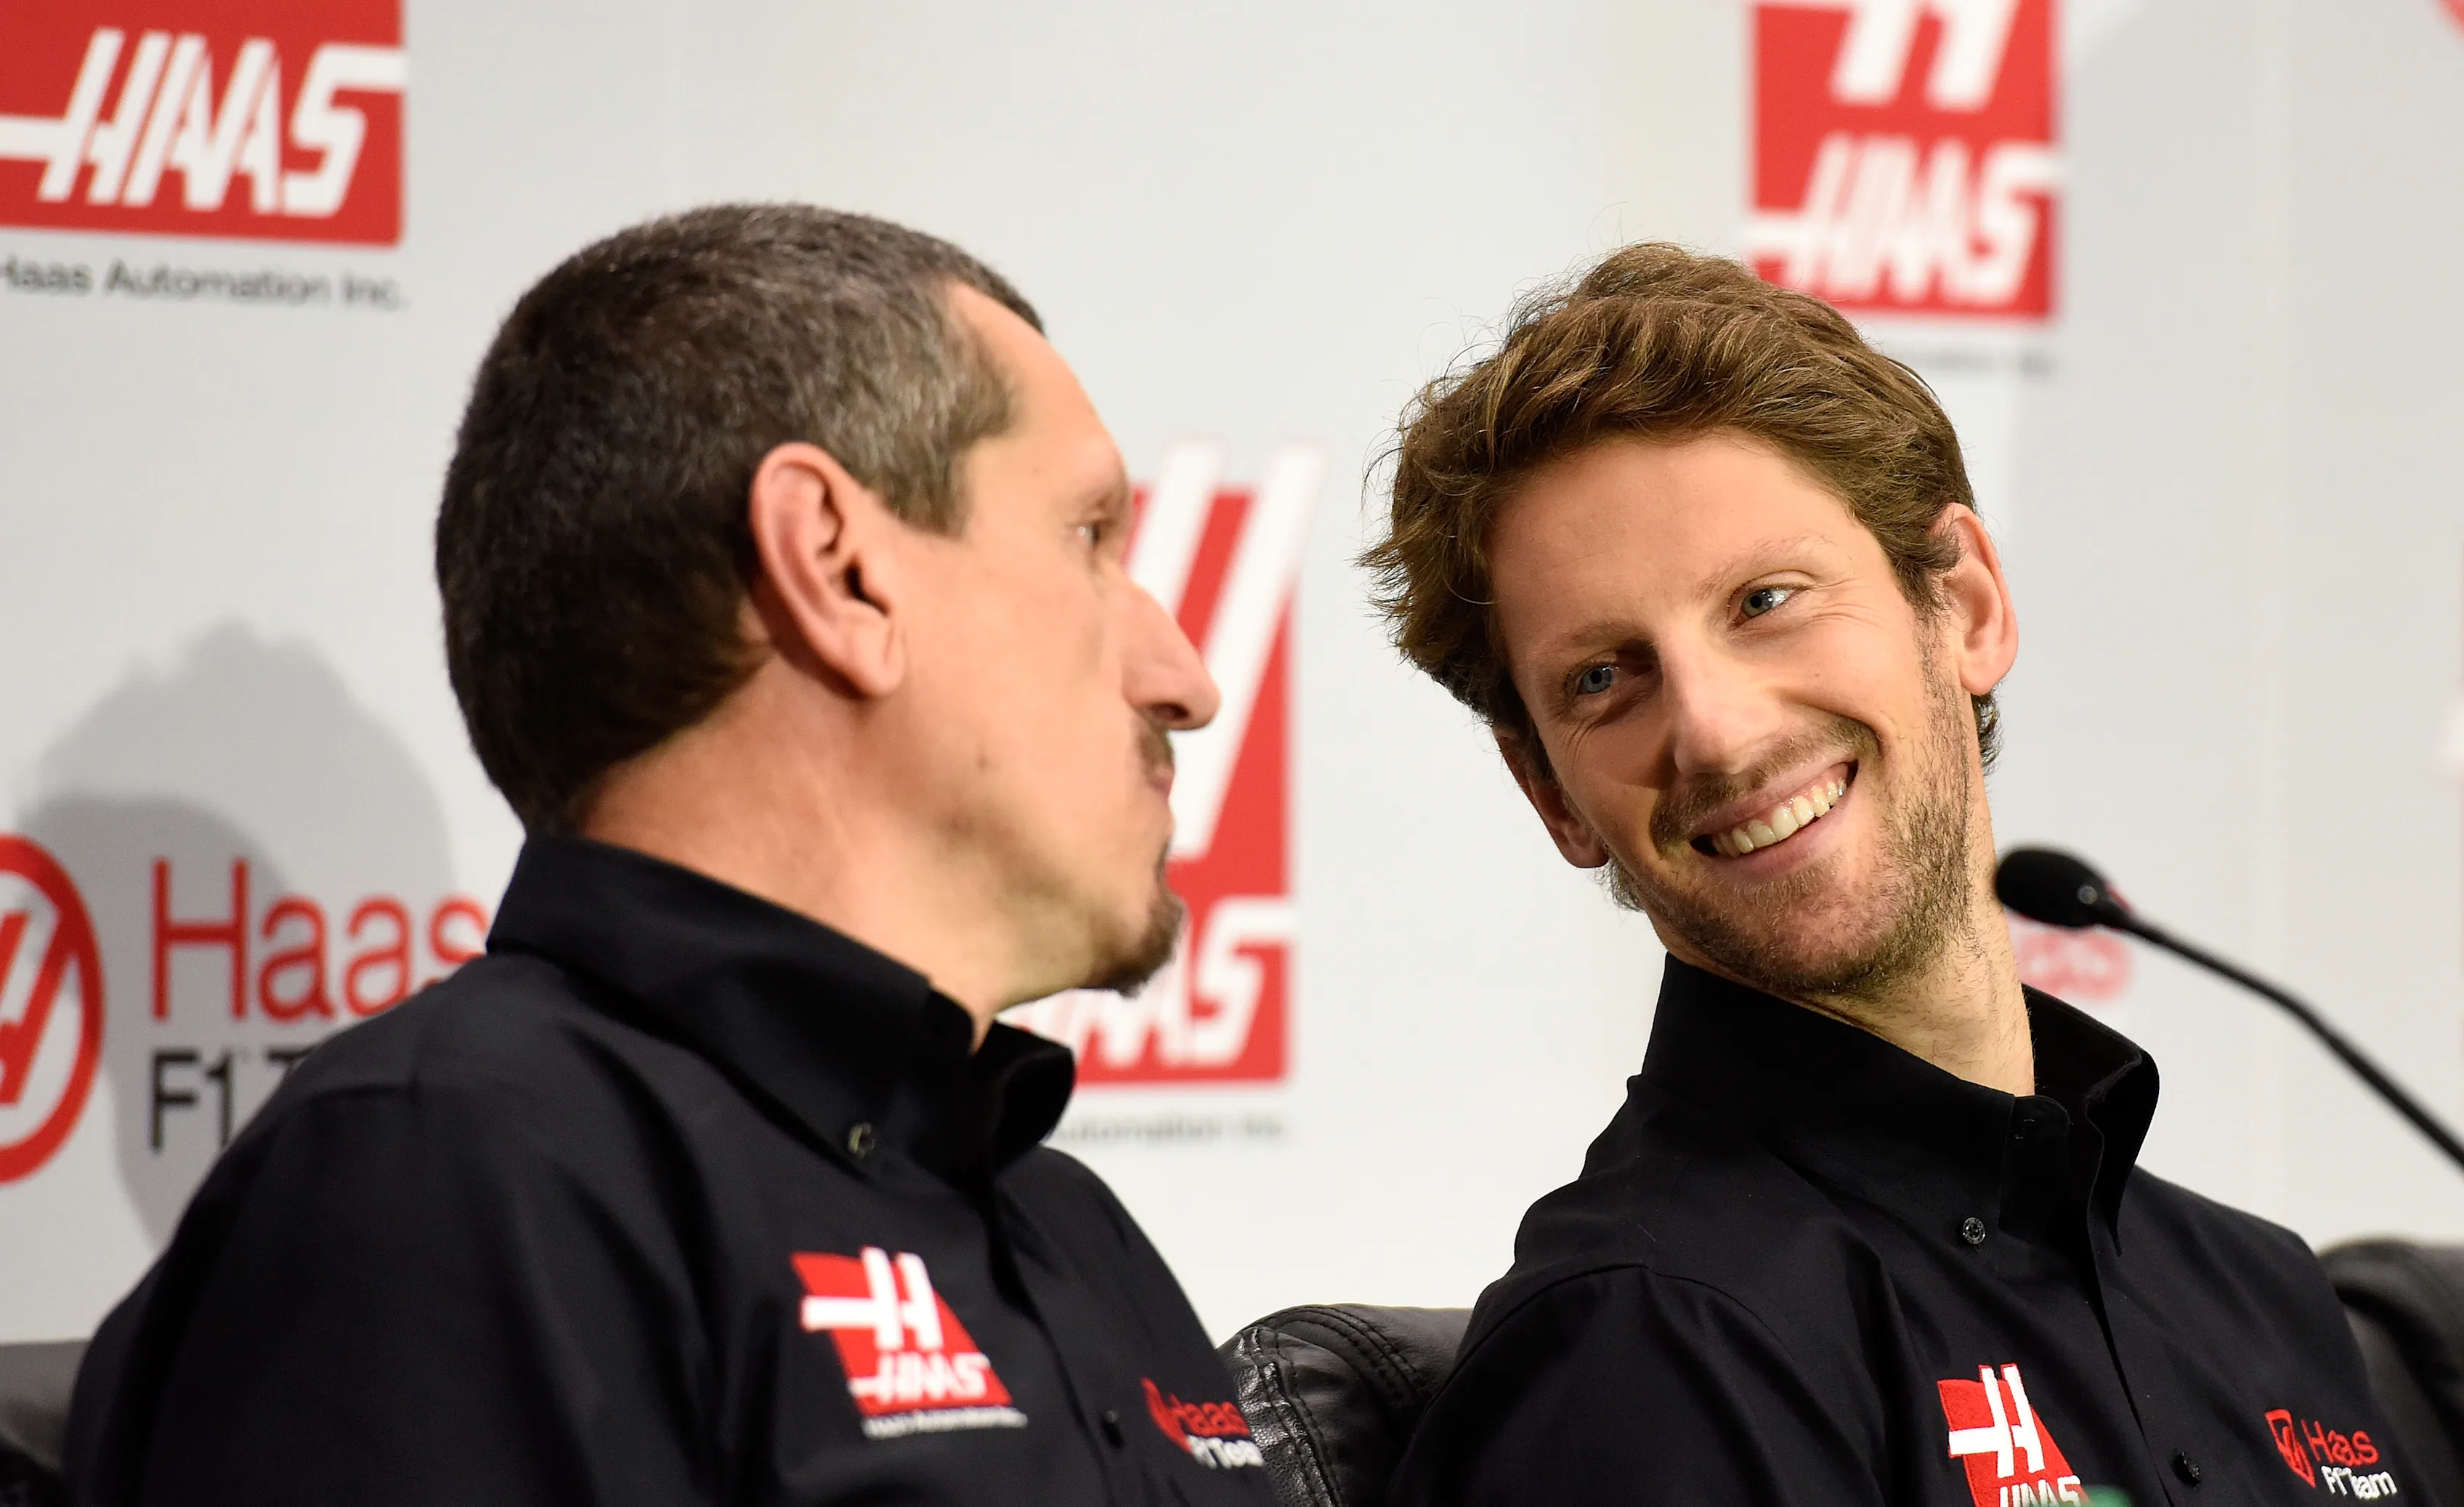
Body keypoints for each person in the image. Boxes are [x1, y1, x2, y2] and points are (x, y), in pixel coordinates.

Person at [65, 206, 1276, 1506]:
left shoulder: (1073, 1229)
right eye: (1088, 537)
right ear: (837, 569)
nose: (1188, 679)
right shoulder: (449, 1176)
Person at [1370, 245, 2410, 1506]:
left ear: (1964, 607)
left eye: (1765, 600)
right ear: (1552, 795)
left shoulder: (2263, 1294)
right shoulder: (1649, 1342)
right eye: (1604, 677)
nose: (1716, 730)